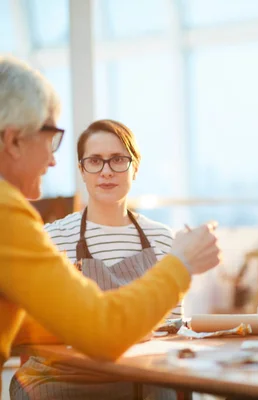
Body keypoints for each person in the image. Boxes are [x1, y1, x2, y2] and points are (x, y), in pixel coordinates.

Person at [0, 57, 220, 395]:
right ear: (14, 141)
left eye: (118, 160)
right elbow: (103, 331)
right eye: (50, 136)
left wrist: (133, 317)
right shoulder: (7, 212)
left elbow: (23, 325)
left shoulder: (159, 234)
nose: (52, 158)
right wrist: (182, 264)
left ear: (134, 168)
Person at [10, 119, 182, 399]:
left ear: (134, 167)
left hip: (143, 373)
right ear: (82, 170)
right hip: (67, 375)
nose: (106, 172)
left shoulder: (163, 239)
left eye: (117, 160)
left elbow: (172, 329)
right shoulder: (52, 237)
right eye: (94, 161)